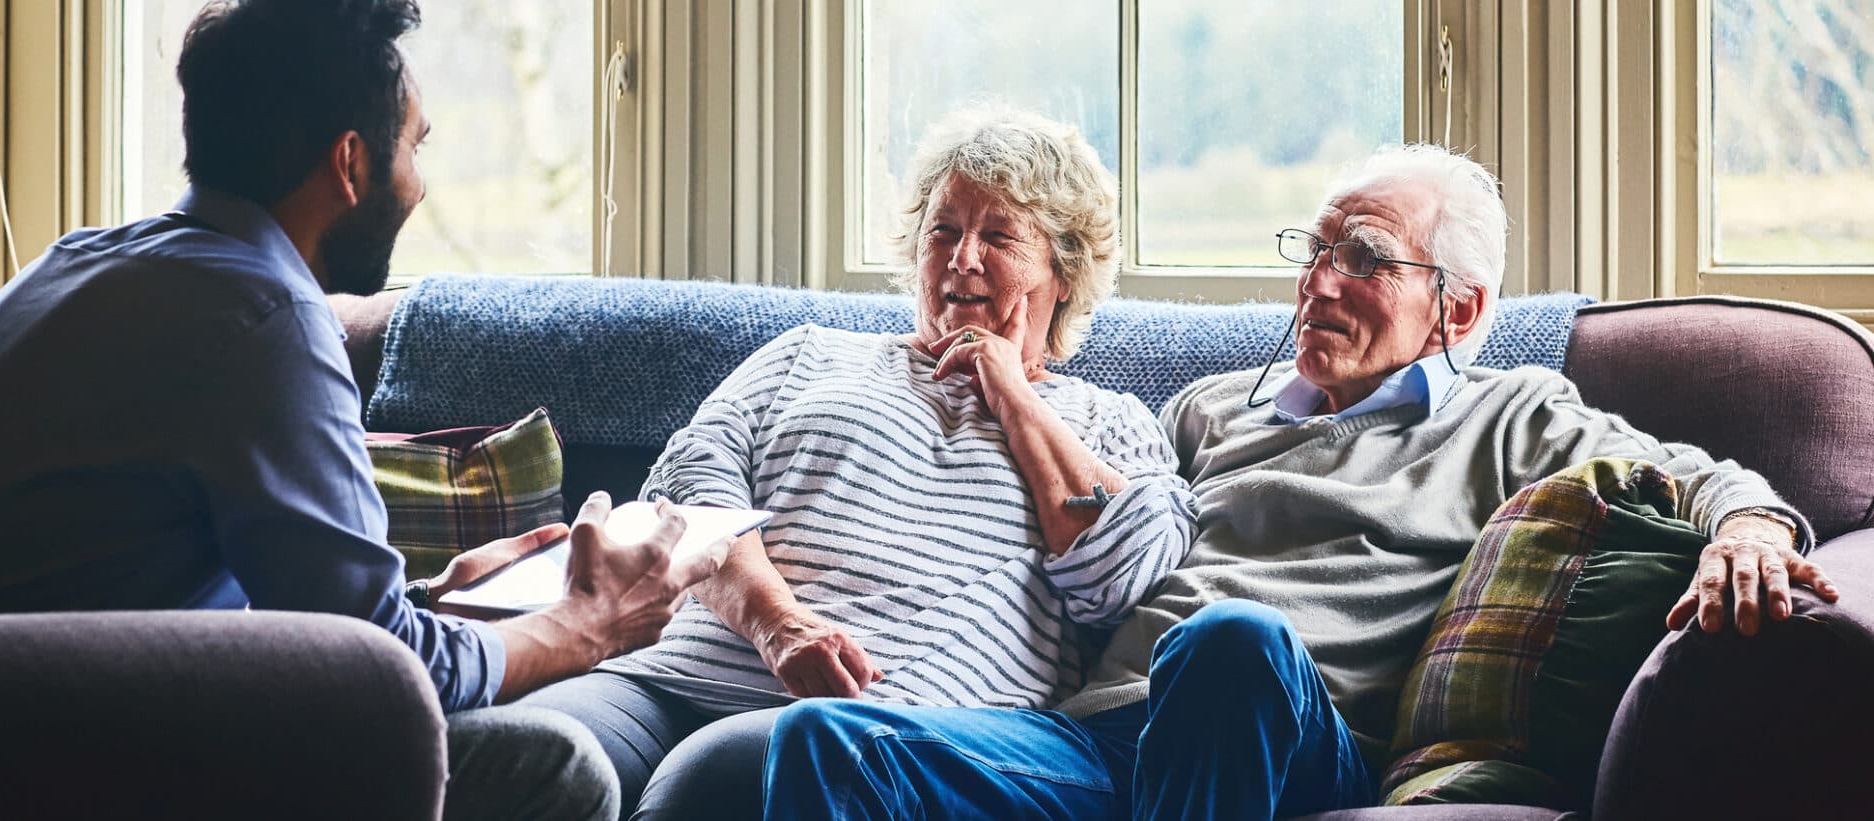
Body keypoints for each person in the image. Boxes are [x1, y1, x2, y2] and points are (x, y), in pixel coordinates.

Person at [0, 0, 724, 821]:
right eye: (414, 146)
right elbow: (381, 673)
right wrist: (586, 624)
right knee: (556, 769)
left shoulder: (78, 262)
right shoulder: (264, 318)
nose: (420, 184)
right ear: (349, 162)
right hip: (21, 776)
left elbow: (141, 588)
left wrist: (426, 604)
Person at [765, 143, 1840, 821]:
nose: (1319, 283)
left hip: (1292, 738)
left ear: (1458, 309)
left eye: (1363, 259)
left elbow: (1707, 478)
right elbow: (1098, 534)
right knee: (827, 745)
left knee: (1229, 641)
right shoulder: (1208, 408)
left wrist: (1749, 531)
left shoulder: (1510, 410)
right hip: (1096, 737)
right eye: (1314, 250)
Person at [515, 105, 1197, 819]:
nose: (963, 258)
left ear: (1064, 272)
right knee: (536, 747)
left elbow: (1120, 574)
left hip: (871, 721)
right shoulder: (808, 352)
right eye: (943, 231)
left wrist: (1015, 396)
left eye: (998, 237)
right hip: (665, 678)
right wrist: (778, 624)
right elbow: (684, 490)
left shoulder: (1109, 421)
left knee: (717, 777)